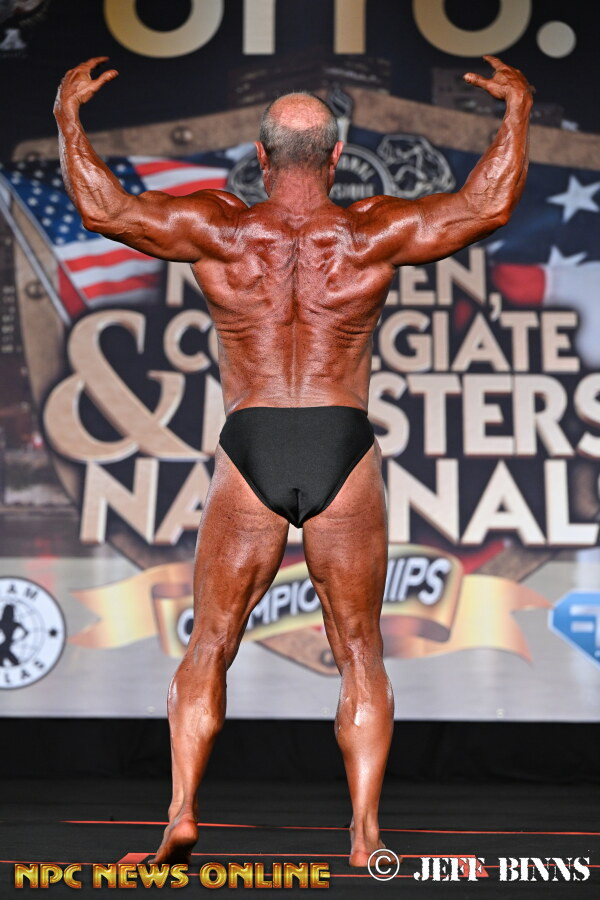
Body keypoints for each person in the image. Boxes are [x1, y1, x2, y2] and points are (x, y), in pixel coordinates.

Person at [54, 55, 533, 866]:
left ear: (261, 154)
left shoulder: (220, 228)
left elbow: (105, 209)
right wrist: (517, 108)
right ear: (338, 156)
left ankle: (179, 815)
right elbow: (484, 206)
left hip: (253, 443)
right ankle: (366, 835)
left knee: (211, 642)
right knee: (360, 651)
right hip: (341, 441)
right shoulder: (370, 232)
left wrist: (68, 117)